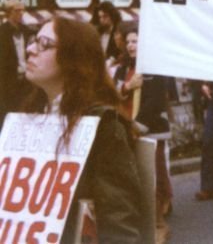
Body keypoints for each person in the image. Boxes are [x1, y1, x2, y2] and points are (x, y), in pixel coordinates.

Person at [24, 17, 142, 242]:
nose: (30, 49)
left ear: (74, 58)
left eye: (44, 44)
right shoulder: (30, 117)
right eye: (33, 41)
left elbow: (118, 217)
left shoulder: (102, 125)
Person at [114, 27, 173, 243]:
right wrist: (128, 86)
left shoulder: (155, 69)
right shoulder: (122, 69)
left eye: (136, 41)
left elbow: (156, 102)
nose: (130, 45)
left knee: (152, 177)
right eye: (128, 41)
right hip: (127, 130)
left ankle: (159, 225)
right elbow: (113, 92)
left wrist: (137, 127)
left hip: (149, 132)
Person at [0, 0, 27, 126]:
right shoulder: (2, 32)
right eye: (17, 10)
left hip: (26, 80)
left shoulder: (26, 30)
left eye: (23, 10)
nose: (21, 13)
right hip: (7, 81)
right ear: (9, 12)